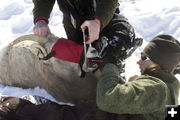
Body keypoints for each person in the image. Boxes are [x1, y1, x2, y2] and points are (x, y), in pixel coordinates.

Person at [32, 0, 142, 72]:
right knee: (85, 63)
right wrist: (40, 19)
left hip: (104, 18)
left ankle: (112, 65)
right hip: (76, 25)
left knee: (125, 39)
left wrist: (98, 22)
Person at [96, 34, 180, 120]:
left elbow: (107, 99)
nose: (138, 62)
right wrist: (133, 86)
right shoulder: (169, 89)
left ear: (158, 63)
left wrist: (110, 65)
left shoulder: (156, 88)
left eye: (144, 57)